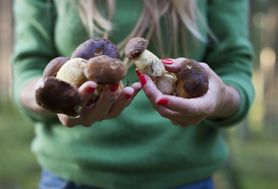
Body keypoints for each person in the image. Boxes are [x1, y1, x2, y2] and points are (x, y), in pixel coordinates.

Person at [12, 0, 254, 189]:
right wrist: (54, 100)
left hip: (184, 177)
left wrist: (219, 99)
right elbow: (28, 68)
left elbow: (235, 70)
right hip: (69, 178)